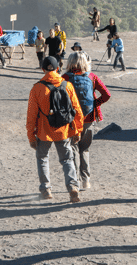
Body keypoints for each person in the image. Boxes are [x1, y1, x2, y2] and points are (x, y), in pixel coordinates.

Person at [26, 56, 84, 203]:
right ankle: (73, 188)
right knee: (67, 160)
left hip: (44, 131)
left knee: (42, 159)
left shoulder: (37, 88)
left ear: (42, 69)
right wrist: (77, 130)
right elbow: (77, 111)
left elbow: (31, 116)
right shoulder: (67, 85)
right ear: (58, 68)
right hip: (63, 130)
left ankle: (46, 189)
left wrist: (31, 137)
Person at [61, 51, 111, 191]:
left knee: (74, 149)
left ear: (70, 62)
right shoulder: (92, 76)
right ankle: (86, 181)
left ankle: (75, 179)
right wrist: (95, 103)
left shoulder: (64, 77)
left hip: (71, 120)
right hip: (89, 118)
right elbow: (107, 95)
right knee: (85, 149)